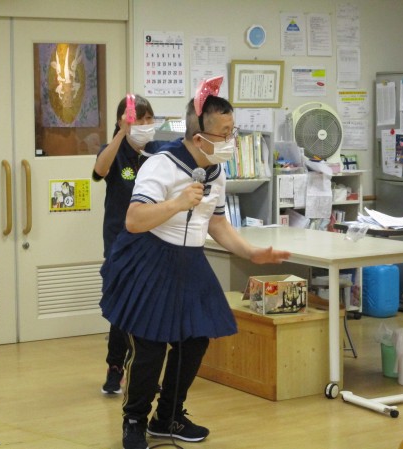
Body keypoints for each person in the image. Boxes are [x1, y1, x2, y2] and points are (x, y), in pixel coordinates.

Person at [99, 77, 291, 449]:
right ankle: (134, 420)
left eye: (233, 131)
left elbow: (216, 223)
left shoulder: (216, 171)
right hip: (150, 258)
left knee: (196, 337)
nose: (231, 140)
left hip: (190, 261)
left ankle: (168, 416)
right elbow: (134, 220)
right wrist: (177, 203)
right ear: (199, 137)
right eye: (225, 133)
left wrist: (252, 253)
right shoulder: (161, 163)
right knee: (151, 346)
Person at [92, 94, 166, 395]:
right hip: (120, 241)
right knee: (122, 305)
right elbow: (99, 171)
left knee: (146, 307)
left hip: (153, 240)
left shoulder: (158, 152)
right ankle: (116, 366)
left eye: (149, 119)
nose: (145, 125)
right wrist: (122, 132)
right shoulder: (115, 150)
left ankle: (143, 372)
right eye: (139, 119)